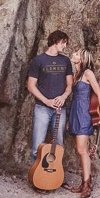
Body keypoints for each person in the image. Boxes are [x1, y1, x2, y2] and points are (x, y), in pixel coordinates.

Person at [64, 48, 100, 198]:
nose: (73, 55)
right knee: (81, 150)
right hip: (75, 112)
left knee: (82, 150)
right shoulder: (76, 75)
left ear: (81, 59)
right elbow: (73, 98)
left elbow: (98, 93)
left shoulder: (88, 73)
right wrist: (69, 119)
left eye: (76, 54)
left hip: (84, 114)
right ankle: (84, 183)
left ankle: (87, 185)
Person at [27, 30, 73, 164]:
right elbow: (31, 85)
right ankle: (35, 176)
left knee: (59, 145)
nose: (65, 46)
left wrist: (63, 97)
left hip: (60, 109)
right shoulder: (38, 60)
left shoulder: (65, 61)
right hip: (42, 108)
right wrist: (46, 101)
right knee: (37, 145)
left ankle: (56, 176)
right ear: (55, 41)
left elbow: (70, 84)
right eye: (63, 43)